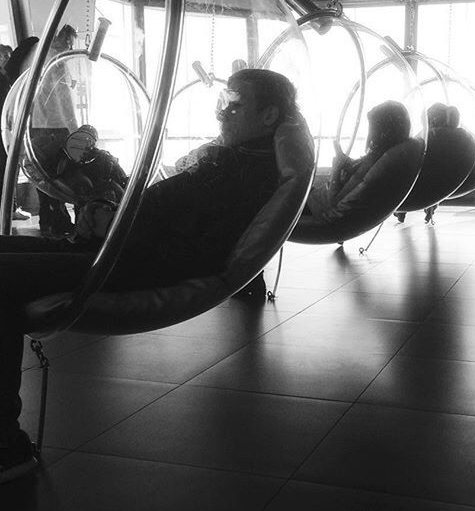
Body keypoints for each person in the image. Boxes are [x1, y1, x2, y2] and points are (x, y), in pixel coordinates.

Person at [0, 68, 301, 483]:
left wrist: (117, 226)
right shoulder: (233, 159)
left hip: (131, 264)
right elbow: (164, 207)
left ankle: (6, 446)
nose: (221, 115)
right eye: (222, 104)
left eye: (233, 105)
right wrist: (109, 211)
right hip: (115, 248)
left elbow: (193, 247)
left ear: (269, 117)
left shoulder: (247, 173)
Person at [305, 100, 411, 222]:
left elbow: (334, 202)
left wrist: (336, 168)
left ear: (382, 131)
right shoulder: (384, 158)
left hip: (313, 206)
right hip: (316, 198)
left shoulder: (371, 162)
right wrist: (348, 162)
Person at [29, 25, 79, 237]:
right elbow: (63, 100)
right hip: (55, 127)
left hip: (37, 127)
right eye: (70, 44)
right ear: (66, 41)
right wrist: (75, 128)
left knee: (44, 176)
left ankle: (48, 220)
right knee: (59, 177)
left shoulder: (39, 58)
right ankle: (59, 222)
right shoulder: (57, 63)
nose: (70, 49)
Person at [0, 40, 34, 221]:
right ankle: (9, 209)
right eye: (3, 56)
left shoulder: (5, 78)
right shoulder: (3, 80)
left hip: (5, 131)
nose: (6, 59)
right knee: (6, 170)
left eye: (8, 56)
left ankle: (9, 209)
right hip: (3, 132)